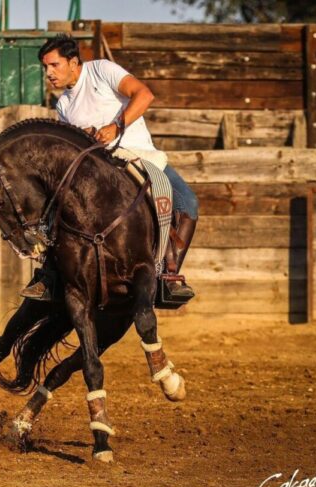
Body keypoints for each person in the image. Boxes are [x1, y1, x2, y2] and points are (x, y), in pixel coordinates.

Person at [21, 34, 198, 303]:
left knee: (188, 203)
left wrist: (116, 127)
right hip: (97, 169)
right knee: (53, 209)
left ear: (73, 62)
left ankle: (168, 276)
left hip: (139, 156)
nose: (49, 73)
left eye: (54, 65)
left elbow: (144, 94)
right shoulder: (63, 104)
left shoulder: (102, 70)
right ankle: (49, 275)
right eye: (45, 67)